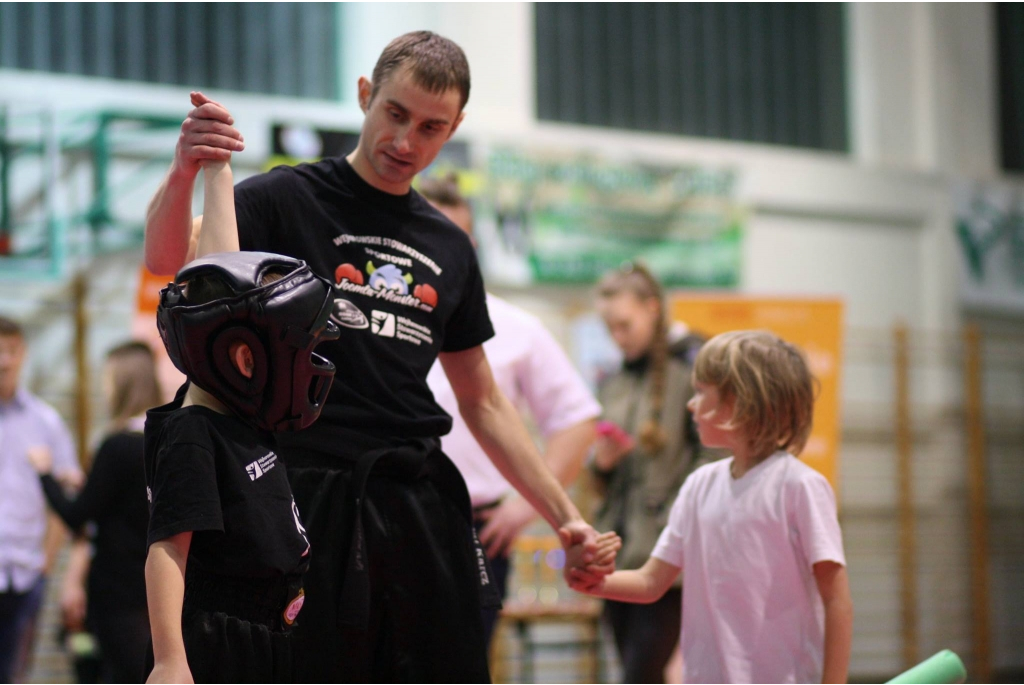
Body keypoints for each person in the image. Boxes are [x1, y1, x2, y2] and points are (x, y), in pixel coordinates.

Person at [143, 31, 612, 682]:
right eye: (395, 113)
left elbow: (483, 401)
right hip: (303, 492)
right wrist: (183, 171)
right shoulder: (283, 199)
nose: (407, 142)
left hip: (414, 501)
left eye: (431, 127)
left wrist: (567, 516)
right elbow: (168, 262)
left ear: (454, 129)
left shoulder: (449, 245)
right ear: (365, 95)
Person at [144, 158, 339, 683]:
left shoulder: (243, 413)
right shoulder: (194, 431)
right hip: (216, 641)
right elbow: (167, 548)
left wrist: (219, 172)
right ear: (246, 361)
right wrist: (169, 659)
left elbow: (224, 280)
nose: (311, 364)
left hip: (268, 633)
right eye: (302, 349)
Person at [571, 330, 854, 684]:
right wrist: (591, 582)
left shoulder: (800, 487)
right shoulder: (699, 485)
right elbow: (650, 582)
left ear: (742, 403)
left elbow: (836, 599)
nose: (690, 404)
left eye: (702, 392)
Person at [420, 175, 602, 649]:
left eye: (451, 236)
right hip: (381, 510)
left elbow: (578, 419)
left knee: (463, 664)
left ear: (472, 245)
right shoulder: (374, 316)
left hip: (477, 526)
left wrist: (527, 508)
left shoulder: (515, 327)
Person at [590, 262, 711, 683]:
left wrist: (673, 521)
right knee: (637, 673)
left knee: (639, 675)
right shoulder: (613, 380)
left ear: (653, 309)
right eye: (610, 328)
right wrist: (601, 461)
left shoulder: (692, 368)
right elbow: (597, 474)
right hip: (616, 551)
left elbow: (711, 456)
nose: (618, 337)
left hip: (665, 555)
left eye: (625, 324)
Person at [26, 341, 161, 683]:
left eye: (107, 379)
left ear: (123, 383)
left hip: (117, 589)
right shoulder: (166, 440)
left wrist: (45, 474)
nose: (104, 388)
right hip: (158, 584)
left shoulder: (117, 446)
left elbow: (76, 515)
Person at [0, 315, 81, 684]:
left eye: (11, 351)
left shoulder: (45, 421)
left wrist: (47, 563)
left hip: (26, 573)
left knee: (16, 674)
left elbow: (66, 497)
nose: (4, 360)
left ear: (23, 354)